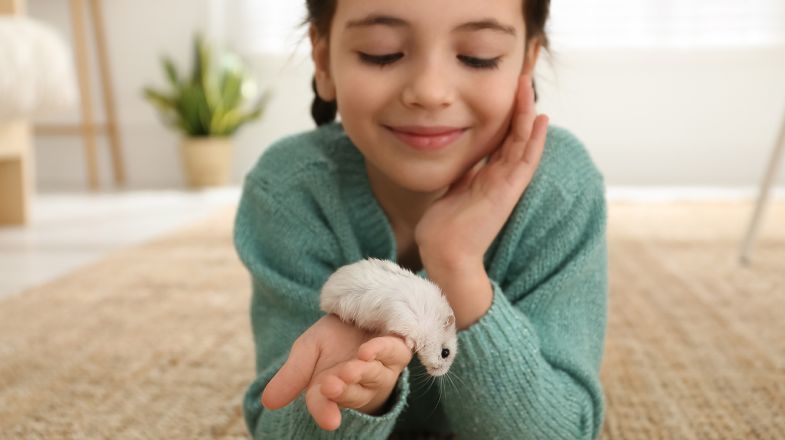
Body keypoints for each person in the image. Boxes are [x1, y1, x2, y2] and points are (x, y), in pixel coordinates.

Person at [233, 0, 608, 438]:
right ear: (323, 60)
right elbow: (277, 425)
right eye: (382, 52)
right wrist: (352, 397)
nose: (430, 92)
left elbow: (564, 431)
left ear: (528, 61)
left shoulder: (559, 187)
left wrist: (456, 264)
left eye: (478, 56)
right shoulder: (291, 189)